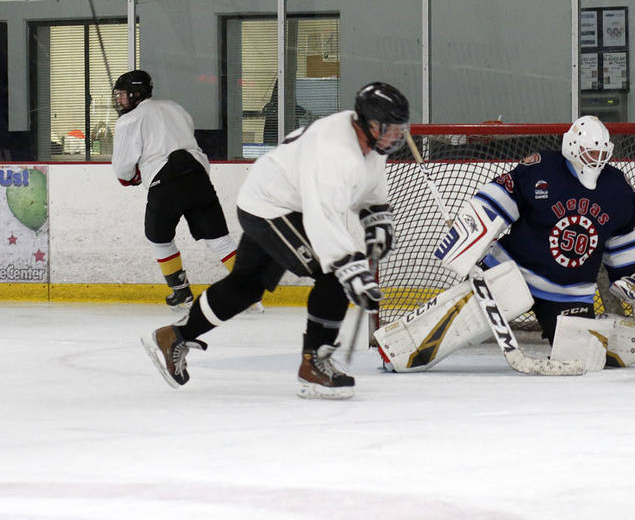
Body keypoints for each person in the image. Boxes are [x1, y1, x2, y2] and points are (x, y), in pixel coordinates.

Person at [140, 81, 410, 399]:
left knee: (247, 285)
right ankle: (314, 364)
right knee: (334, 274)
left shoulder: (367, 143)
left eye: (398, 129)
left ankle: (175, 336)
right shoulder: (334, 151)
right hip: (273, 206)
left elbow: (370, 192)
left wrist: (376, 221)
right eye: (388, 128)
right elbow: (322, 219)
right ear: (366, 123)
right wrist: (352, 269)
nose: (395, 136)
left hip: (271, 196)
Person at [377, 115, 635, 373]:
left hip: (569, 292)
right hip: (511, 270)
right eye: (588, 152)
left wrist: (634, 285)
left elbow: (621, 246)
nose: (595, 160)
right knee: (459, 323)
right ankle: (396, 350)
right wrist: (470, 237)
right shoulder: (541, 169)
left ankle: (612, 334)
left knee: (584, 356)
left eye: (600, 153)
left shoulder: (618, 190)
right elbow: (496, 197)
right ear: (572, 146)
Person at [110, 70, 247, 310]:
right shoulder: (174, 107)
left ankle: (180, 291)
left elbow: (123, 167)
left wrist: (129, 177)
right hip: (197, 175)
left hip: (165, 181)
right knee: (219, 240)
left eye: (122, 95)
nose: (119, 100)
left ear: (136, 93)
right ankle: (249, 290)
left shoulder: (129, 120)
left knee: (159, 238)